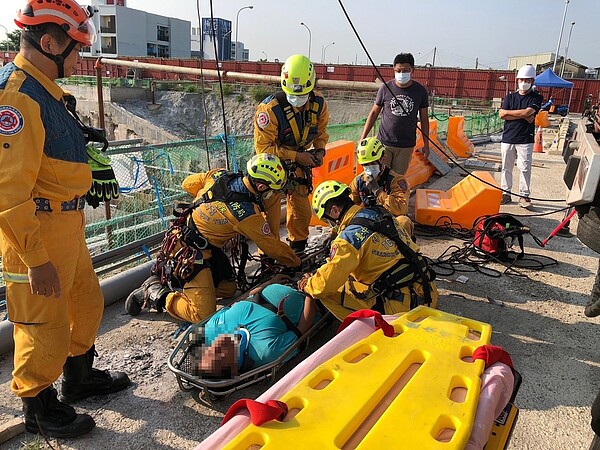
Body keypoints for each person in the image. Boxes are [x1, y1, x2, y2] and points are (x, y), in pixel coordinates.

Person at [0, 0, 130, 438]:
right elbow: (7, 191)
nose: (80, 57)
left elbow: (50, 147)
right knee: (42, 323)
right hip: (36, 233)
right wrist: (35, 259)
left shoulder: (47, 91)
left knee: (87, 304)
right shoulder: (17, 97)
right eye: (75, 48)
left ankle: (79, 376)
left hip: (67, 224)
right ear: (48, 42)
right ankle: (38, 403)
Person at [126, 154, 301, 324]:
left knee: (228, 289)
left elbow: (187, 184)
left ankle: (185, 284)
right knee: (202, 315)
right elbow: (272, 247)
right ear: (261, 187)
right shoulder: (246, 214)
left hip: (199, 244)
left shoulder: (220, 174)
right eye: (272, 191)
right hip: (190, 254)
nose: (273, 196)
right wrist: (296, 263)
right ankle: (156, 294)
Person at [298, 181, 437, 321]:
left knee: (324, 292)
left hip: (403, 311)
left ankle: (373, 328)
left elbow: (325, 285)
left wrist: (308, 285)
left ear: (335, 211)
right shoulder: (378, 212)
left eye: (328, 220)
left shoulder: (348, 239)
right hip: (427, 294)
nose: (332, 226)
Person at [254, 54, 329, 253]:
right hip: (271, 166)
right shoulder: (269, 110)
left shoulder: (319, 104)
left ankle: (297, 249)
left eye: (303, 95)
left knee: (302, 212)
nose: (297, 100)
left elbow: (321, 132)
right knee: (269, 217)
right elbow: (263, 149)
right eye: (293, 95)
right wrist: (296, 157)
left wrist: (320, 150)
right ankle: (268, 255)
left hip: (298, 167)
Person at [196, 275, 316, 378]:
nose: (216, 346)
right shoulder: (266, 352)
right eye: (219, 356)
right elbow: (303, 327)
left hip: (277, 283)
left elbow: (239, 301)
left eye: (210, 351)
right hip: (304, 294)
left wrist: (268, 282)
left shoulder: (213, 328)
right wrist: (310, 289)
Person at [360, 53, 430, 176]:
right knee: (379, 176)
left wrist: (426, 144)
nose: (402, 74)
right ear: (393, 69)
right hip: (384, 143)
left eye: (406, 71)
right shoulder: (385, 88)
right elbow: (374, 113)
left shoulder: (420, 91)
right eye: (398, 70)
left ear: (413, 70)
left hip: (405, 146)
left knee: (396, 179)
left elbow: (424, 119)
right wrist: (363, 138)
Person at [499, 64, 543, 209]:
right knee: (506, 167)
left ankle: (524, 195)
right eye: (521, 80)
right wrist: (523, 114)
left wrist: (511, 114)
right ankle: (506, 193)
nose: (523, 82)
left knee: (524, 167)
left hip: (525, 138)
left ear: (532, 81)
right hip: (508, 137)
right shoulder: (510, 97)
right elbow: (502, 114)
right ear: (517, 80)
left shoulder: (536, 97)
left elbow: (525, 113)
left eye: (527, 80)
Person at [350, 137, 413, 234]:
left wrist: (378, 192)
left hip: (390, 222)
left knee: (404, 222)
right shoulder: (358, 182)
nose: (368, 168)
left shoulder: (396, 180)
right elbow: (350, 208)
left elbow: (401, 209)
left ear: (383, 159)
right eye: (365, 165)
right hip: (368, 222)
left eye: (372, 163)